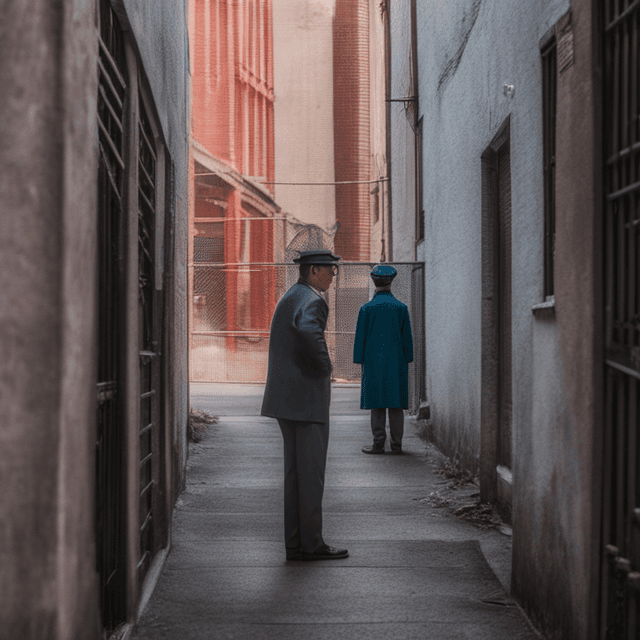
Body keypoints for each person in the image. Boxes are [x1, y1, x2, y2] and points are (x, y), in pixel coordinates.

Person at [261, 249, 349, 562]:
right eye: (330, 270)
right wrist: (326, 368)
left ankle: (296, 544)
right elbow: (310, 332)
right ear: (313, 271)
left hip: (286, 400)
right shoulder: (313, 299)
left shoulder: (293, 295)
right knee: (311, 476)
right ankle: (312, 544)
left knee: (294, 477)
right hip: (307, 399)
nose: (333, 276)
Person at [353, 265, 414, 454]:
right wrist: (408, 358)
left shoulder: (366, 309)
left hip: (373, 363)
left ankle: (378, 443)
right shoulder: (401, 309)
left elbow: (360, 338)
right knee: (395, 404)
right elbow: (407, 340)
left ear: (374, 282)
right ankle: (397, 445)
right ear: (391, 282)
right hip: (396, 363)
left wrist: (359, 359)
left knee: (377, 404)